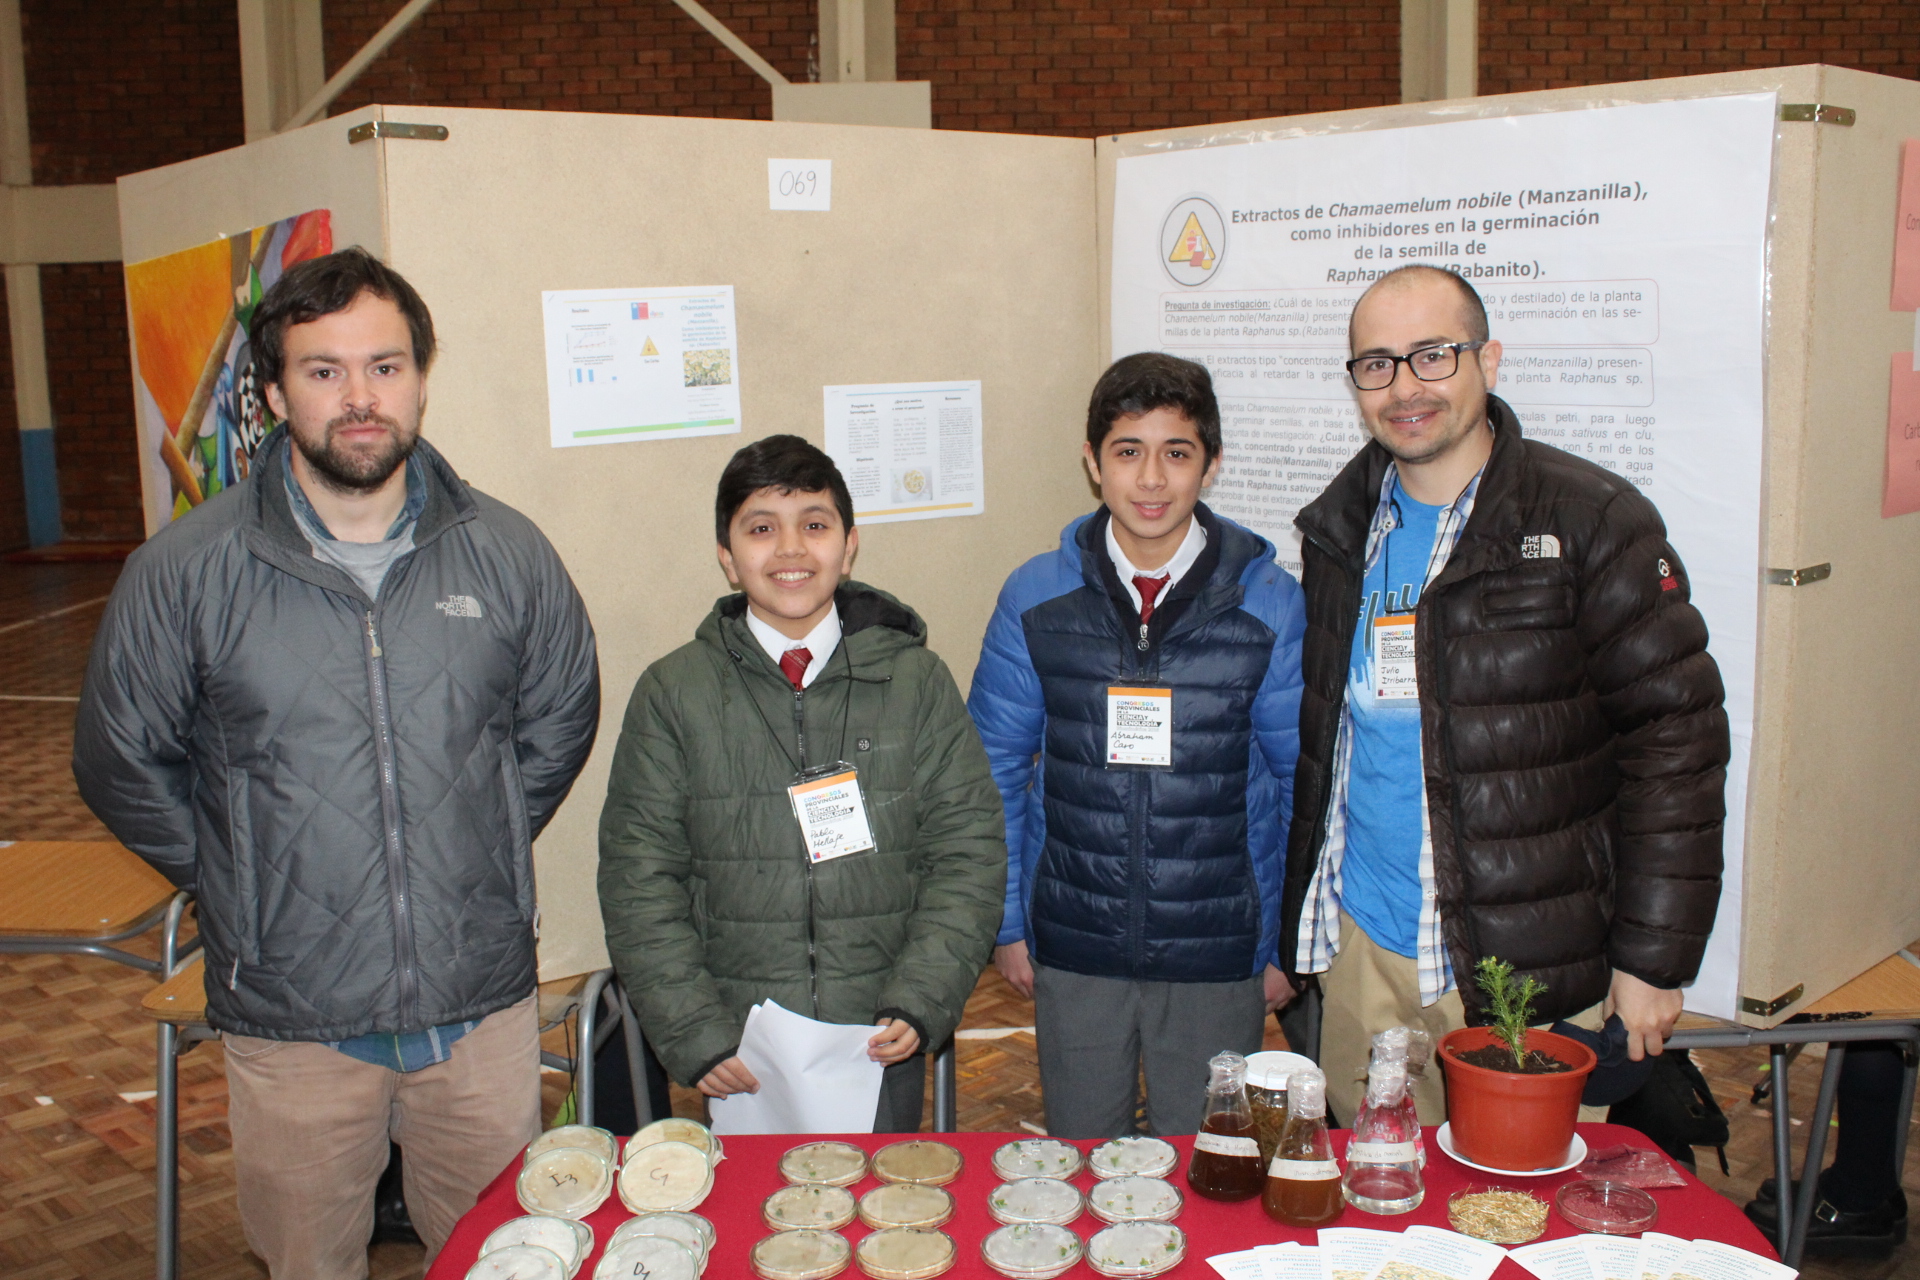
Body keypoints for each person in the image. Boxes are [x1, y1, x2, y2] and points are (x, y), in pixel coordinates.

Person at [72, 248, 601, 1278]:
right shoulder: (184, 571)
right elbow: (121, 756)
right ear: (273, 394)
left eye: (386, 366)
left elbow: (558, 717)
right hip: (295, 1017)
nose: (361, 397)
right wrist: (251, 876)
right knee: (310, 1262)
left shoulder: (509, 552)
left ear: (419, 377)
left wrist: (465, 843)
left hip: (478, 1010)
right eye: (324, 371)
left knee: (504, 1256)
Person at [1283, 264, 1729, 1124]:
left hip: (1524, 964)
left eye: (1432, 356)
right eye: (1376, 364)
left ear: (1488, 358)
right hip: (1365, 948)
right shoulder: (1337, 533)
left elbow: (1677, 741)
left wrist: (1654, 960)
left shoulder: (1591, 522)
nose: (1404, 387)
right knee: (1379, 1197)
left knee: (1516, 1220)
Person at [598, 434, 1006, 1132]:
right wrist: (695, 1030)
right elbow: (640, 878)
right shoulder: (674, 693)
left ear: (849, 547)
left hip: (878, 1037)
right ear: (728, 556)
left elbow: (968, 852)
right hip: (738, 1044)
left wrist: (920, 998)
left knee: (882, 1228)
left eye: (814, 526)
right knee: (749, 1230)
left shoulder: (915, 681)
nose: (790, 550)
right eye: (761, 529)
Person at [968, 352, 1306, 1138]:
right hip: (1073, 940)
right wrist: (1010, 923)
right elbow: (994, 771)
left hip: (1221, 949)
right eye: (1128, 451)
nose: (1151, 479)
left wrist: (1282, 942)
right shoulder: (1034, 596)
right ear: (1092, 463)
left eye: (1176, 453)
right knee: (1084, 1159)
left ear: (1210, 465)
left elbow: (1300, 787)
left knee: (1207, 1165)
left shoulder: (1270, 604)